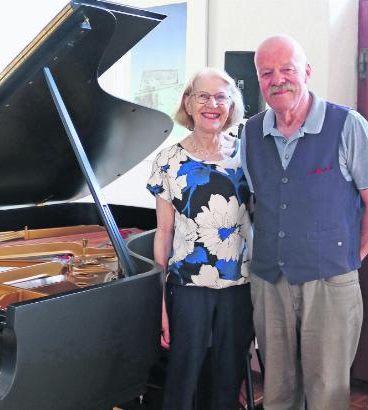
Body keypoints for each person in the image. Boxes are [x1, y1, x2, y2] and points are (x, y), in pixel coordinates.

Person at [240, 34, 368, 410]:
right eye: (266, 72)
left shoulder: (349, 125)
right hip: (270, 282)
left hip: (330, 282)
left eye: (287, 69)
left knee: (326, 394)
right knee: (276, 392)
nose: (278, 79)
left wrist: (346, 260)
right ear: (259, 80)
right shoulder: (250, 133)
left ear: (306, 72)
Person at [146, 67, 254, 410]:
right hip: (188, 288)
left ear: (231, 105)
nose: (213, 104)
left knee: (227, 383)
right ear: (188, 104)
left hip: (240, 287)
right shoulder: (168, 161)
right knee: (182, 381)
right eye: (203, 96)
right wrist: (160, 301)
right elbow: (163, 234)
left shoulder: (247, 154)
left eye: (221, 97)